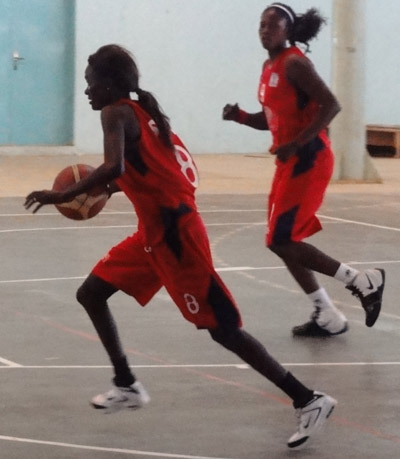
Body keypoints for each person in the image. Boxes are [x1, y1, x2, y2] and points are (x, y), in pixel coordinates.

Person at [25, 44, 336, 448]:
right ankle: (126, 383)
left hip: (175, 236)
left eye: (89, 83)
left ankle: (308, 399)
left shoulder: (115, 112)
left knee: (223, 330)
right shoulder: (142, 114)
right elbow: (146, 171)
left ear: (109, 84)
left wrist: (58, 196)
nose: (86, 91)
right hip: (153, 233)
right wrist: (111, 190)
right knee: (91, 293)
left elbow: (113, 166)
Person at [222, 3, 385, 337]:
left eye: (272, 25)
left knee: (282, 239)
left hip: (309, 160)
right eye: (261, 25)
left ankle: (362, 281)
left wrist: (297, 143)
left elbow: (332, 104)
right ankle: (328, 314)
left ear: (288, 30)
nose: (264, 30)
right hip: (289, 161)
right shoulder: (270, 66)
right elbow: (271, 120)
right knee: (281, 239)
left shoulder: (295, 63)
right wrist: (239, 116)